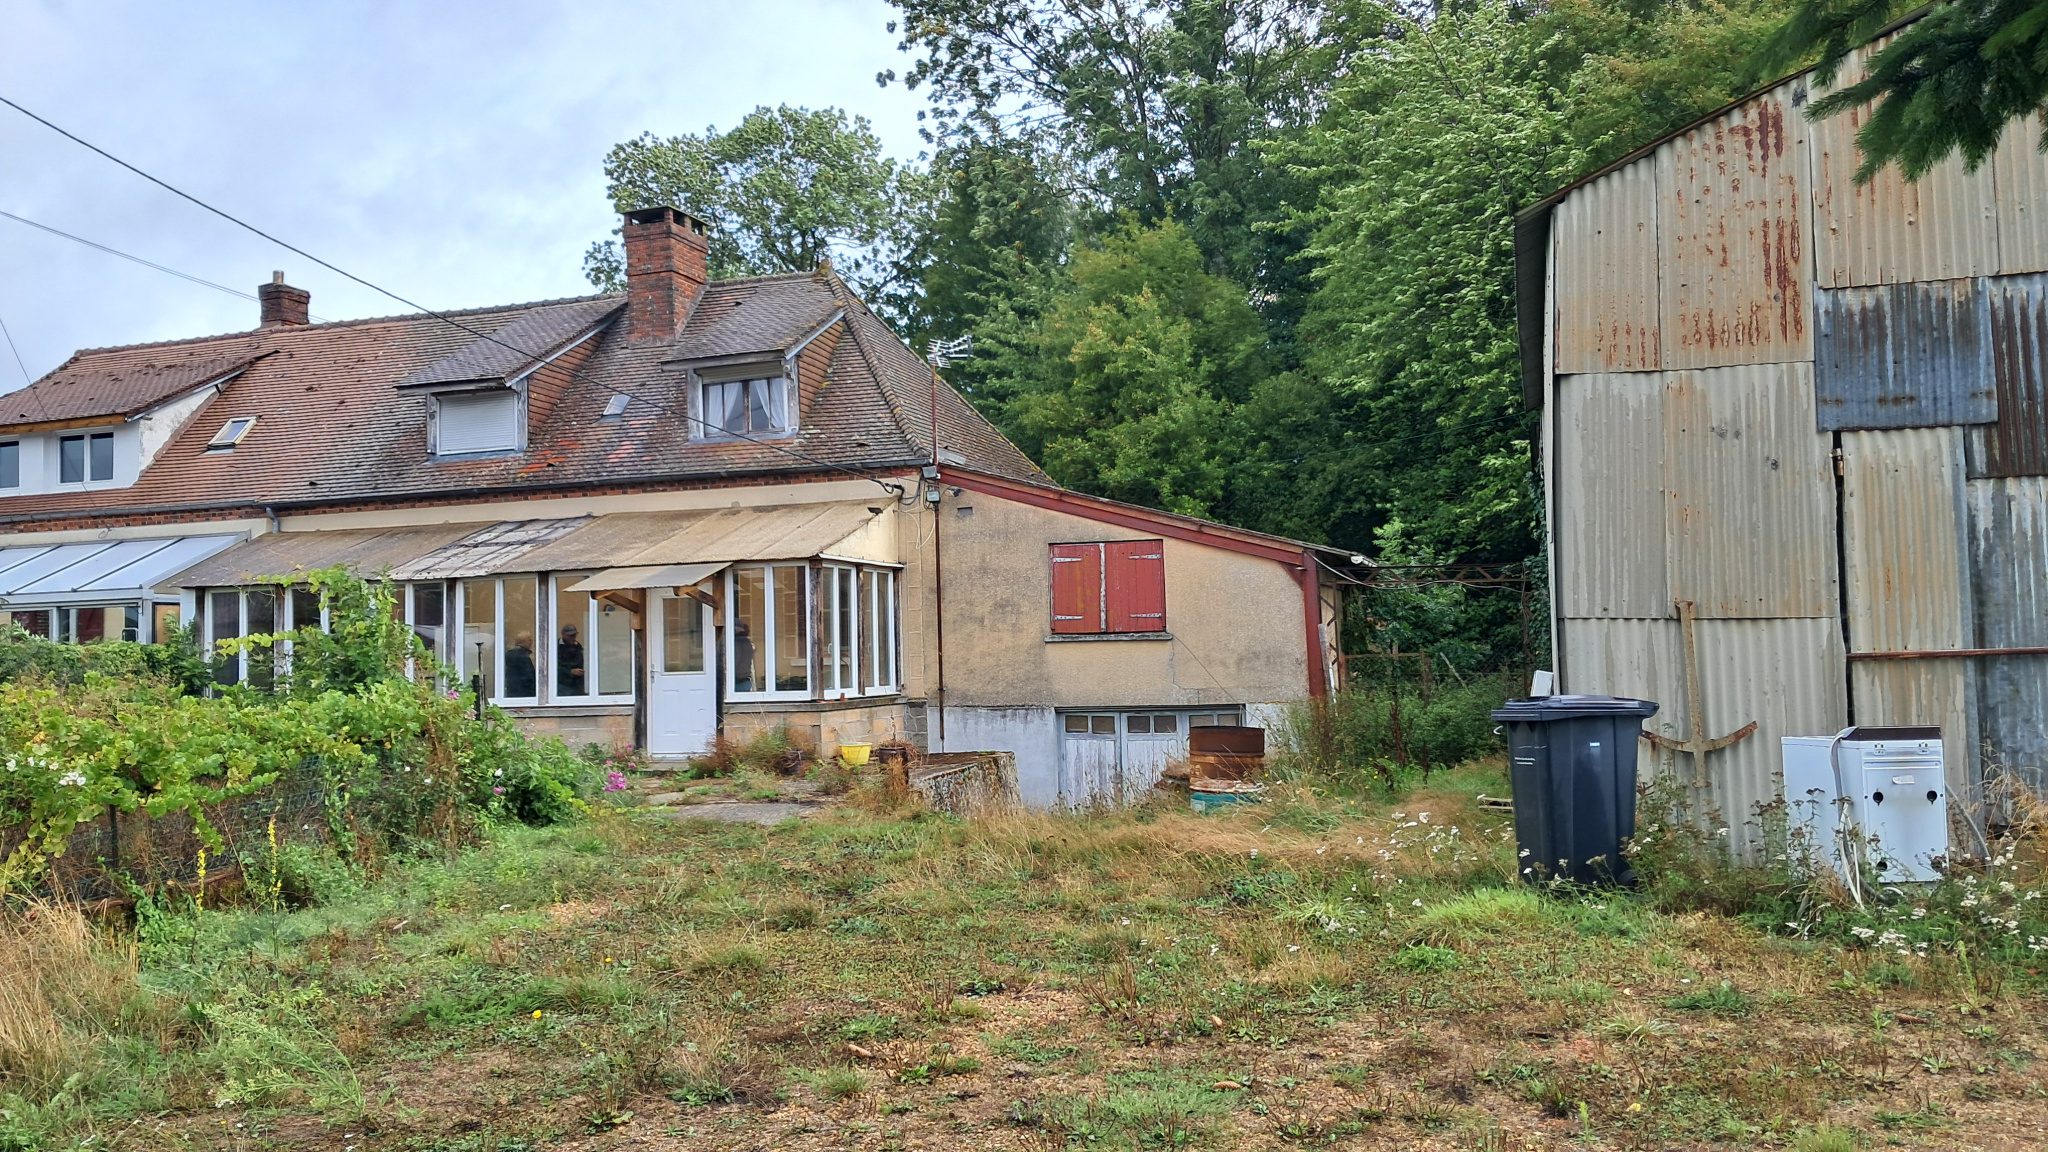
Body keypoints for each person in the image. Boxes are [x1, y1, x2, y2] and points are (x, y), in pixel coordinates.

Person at [556, 624, 586, 696]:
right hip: (561, 684)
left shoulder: (577, 646)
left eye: (574, 635)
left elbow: (580, 662)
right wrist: (570, 671)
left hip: (576, 683)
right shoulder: (555, 646)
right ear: (563, 634)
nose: (572, 638)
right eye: (570, 636)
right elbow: (552, 667)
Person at [505, 632, 537, 698]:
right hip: (524, 694)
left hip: (512, 691)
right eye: (529, 640)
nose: (531, 642)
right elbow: (529, 676)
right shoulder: (523, 656)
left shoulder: (510, 655)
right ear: (523, 642)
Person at [732, 619, 757, 693]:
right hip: (745, 680)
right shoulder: (747, 642)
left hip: (738, 681)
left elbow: (735, 660)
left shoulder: (737, 643)